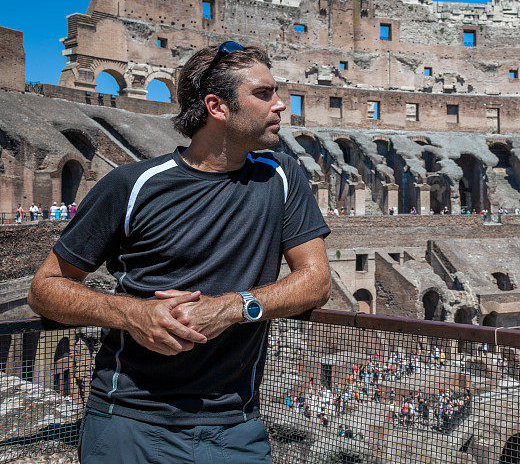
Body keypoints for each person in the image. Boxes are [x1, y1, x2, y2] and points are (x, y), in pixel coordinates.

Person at [28, 42, 332, 463]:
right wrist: (131, 314)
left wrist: (232, 307)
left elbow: (316, 282)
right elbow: (45, 288)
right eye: (263, 93)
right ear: (217, 106)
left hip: (234, 424)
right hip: (129, 418)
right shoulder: (132, 185)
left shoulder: (283, 177)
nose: (280, 104)